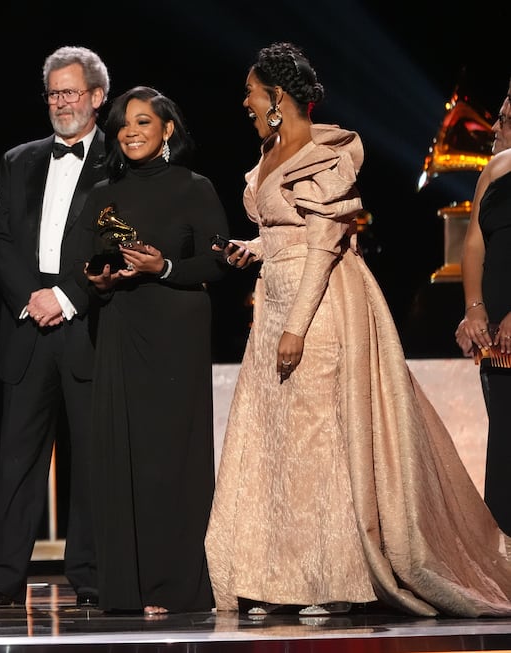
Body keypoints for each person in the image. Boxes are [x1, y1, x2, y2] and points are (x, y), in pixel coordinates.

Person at [204, 42, 511, 619]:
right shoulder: (270, 151)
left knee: (321, 443)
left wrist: (296, 326)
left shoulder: (327, 152)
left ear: (277, 97)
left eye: (251, 91)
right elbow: (287, 232)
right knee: (278, 447)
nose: (244, 101)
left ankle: (330, 579)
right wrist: (253, 249)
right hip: (274, 302)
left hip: (317, 309)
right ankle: (280, 577)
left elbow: (322, 244)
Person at [0, 45, 110, 609]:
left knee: (92, 458)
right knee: (16, 459)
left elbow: (114, 244)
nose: (60, 102)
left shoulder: (117, 161)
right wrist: (32, 296)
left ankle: (92, 576)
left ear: (98, 97)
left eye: (71, 92)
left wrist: (68, 296)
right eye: (53, 93)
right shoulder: (18, 159)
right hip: (27, 324)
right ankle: (2, 579)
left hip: (87, 322)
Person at [80, 86, 229, 615]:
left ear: (168, 130)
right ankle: (128, 586)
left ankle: (174, 585)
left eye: (143, 122)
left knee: (172, 459)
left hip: (177, 332)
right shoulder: (102, 194)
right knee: (124, 455)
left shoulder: (195, 187)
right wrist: (100, 281)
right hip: (120, 326)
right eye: (123, 123)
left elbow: (218, 263)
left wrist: (162, 267)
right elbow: (91, 266)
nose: (130, 131)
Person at [455, 77, 511, 537]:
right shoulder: (494, 169)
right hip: (498, 337)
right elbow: (474, 242)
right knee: (506, 440)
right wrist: (475, 308)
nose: (500, 118)